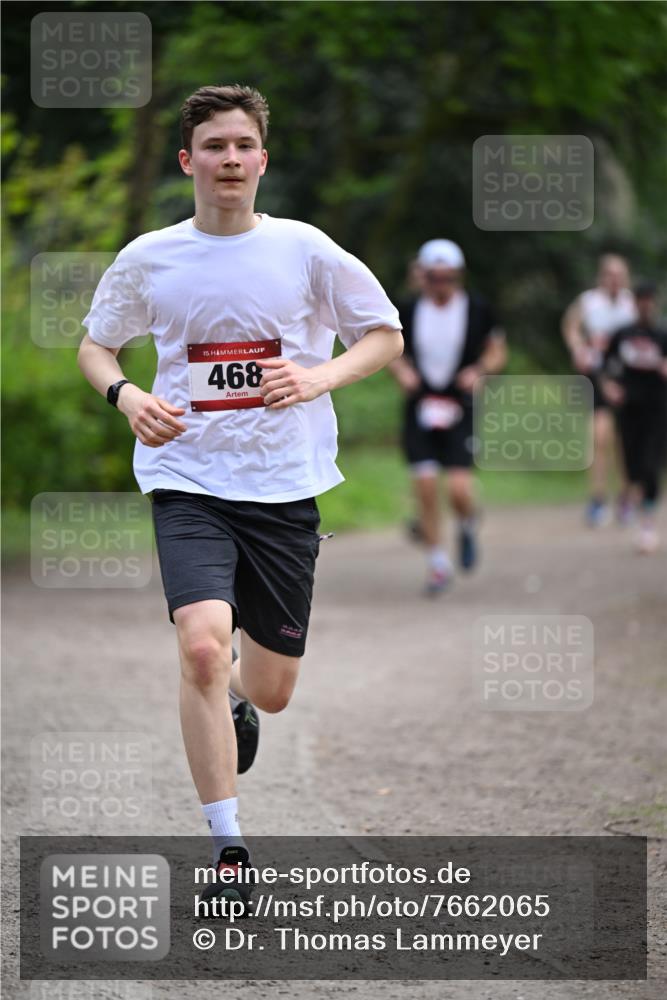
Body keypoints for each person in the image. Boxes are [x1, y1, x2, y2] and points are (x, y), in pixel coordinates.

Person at [77, 84, 403, 909]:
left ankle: (234, 697)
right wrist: (126, 397)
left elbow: (383, 333)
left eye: (242, 146)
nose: (229, 160)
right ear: (188, 160)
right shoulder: (151, 256)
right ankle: (228, 848)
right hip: (187, 479)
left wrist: (319, 374)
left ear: (262, 158)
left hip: (283, 488)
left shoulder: (304, 250)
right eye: (213, 146)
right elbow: (97, 345)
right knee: (198, 644)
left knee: (270, 688)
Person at [388, 240, 506, 594]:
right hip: (421, 403)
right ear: (422, 277)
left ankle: (468, 521)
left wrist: (480, 371)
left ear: (458, 277)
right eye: (434, 278)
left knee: (457, 488)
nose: (441, 285)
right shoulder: (405, 311)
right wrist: (402, 372)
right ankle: (437, 563)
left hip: (460, 403)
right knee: (424, 484)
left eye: (448, 278)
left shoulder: (479, 309)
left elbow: (497, 351)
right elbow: (387, 348)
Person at [562, 254, 637, 526]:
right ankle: (597, 499)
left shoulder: (633, 303)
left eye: (619, 275)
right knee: (600, 437)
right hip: (597, 374)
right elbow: (570, 325)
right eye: (609, 274)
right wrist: (578, 348)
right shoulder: (590, 301)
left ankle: (627, 497)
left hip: (628, 377)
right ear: (602, 277)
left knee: (626, 442)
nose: (614, 280)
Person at [601, 282, 667, 553]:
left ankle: (647, 524)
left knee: (651, 466)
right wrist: (610, 386)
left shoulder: (662, 335)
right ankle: (628, 496)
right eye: (641, 300)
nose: (646, 305)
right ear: (635, 303)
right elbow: (603, 367)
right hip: (629, 409)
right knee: (632, 466)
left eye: (650, 300)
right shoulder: (622, 334)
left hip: (658, 408)